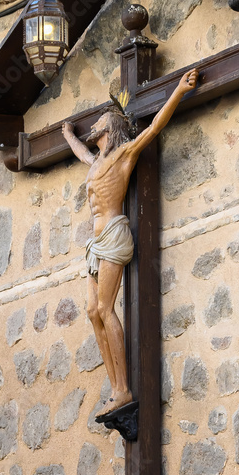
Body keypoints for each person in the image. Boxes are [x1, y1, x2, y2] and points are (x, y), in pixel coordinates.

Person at [62, 67, 199, 414]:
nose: (93, 126)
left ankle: (123, 389)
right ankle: (115, 388)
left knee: (105, 308)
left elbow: (153, 129)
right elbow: (80, 152)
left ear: (109, 128)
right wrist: (67, 135)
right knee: (92, 311)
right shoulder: (95, 162)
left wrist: (179, 91)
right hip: (95, 244)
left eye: (98, 123)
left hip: (113, 234)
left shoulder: (123, 155)